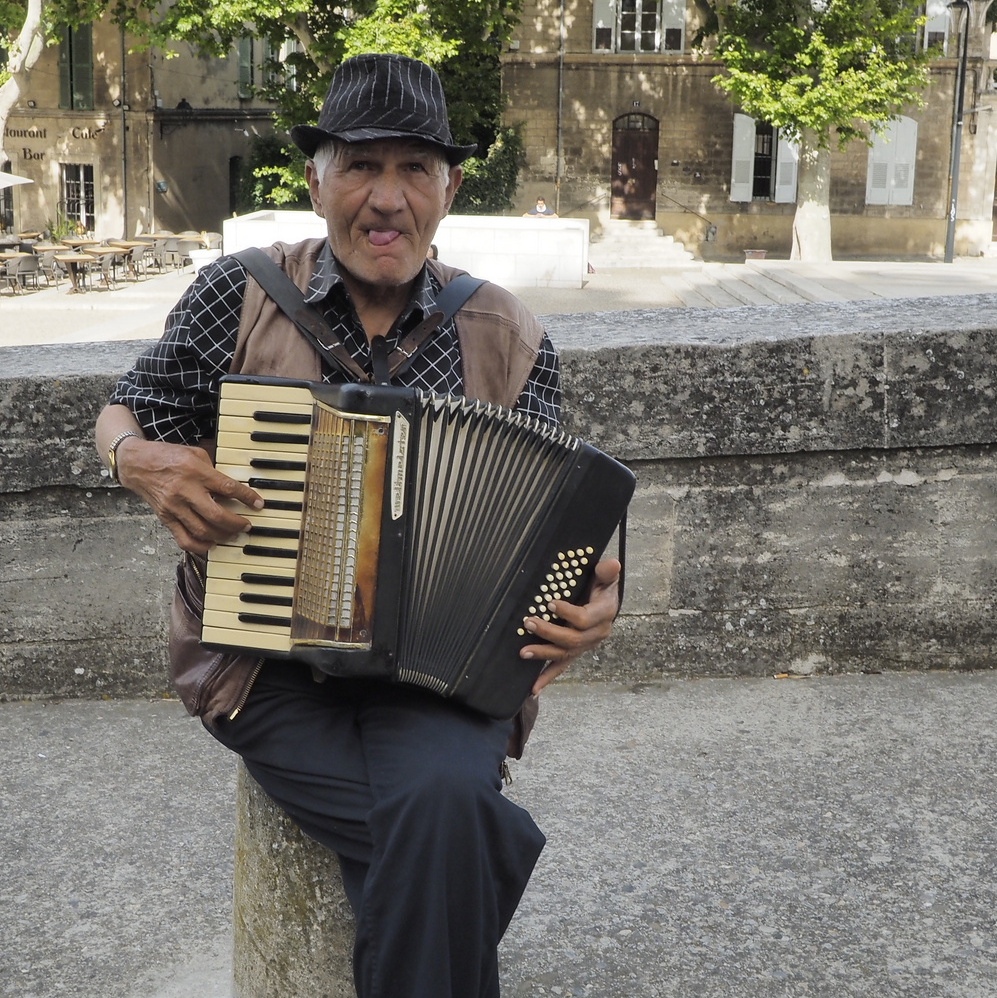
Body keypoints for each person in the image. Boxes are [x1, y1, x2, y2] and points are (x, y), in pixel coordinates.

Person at [96, 53, 620, 998]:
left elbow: (560, 519)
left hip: (444, 679)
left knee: (443, 806)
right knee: (459, 824)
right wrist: (137, 460)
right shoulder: (243, 294)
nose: (387, 199)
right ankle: (492, 849)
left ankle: (479, 849)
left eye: (414, 168)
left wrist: (595, 593)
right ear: (316, 179)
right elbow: (123, 410)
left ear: (449, 189)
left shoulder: (505, 333)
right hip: (266, 667)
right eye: (361, 166)